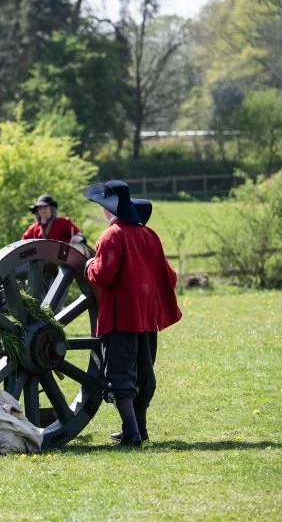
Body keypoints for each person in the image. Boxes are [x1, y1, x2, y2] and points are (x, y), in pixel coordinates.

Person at [83, 180, 182, 447]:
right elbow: (169, 277)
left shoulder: (111, 236)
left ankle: (132, 433)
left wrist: (89, 264)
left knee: (120, 376)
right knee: (143, 373)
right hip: (146, 317)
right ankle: (141, 428)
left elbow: (102, 275)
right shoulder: (149, 235)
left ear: (108, 209)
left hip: (120, 317)